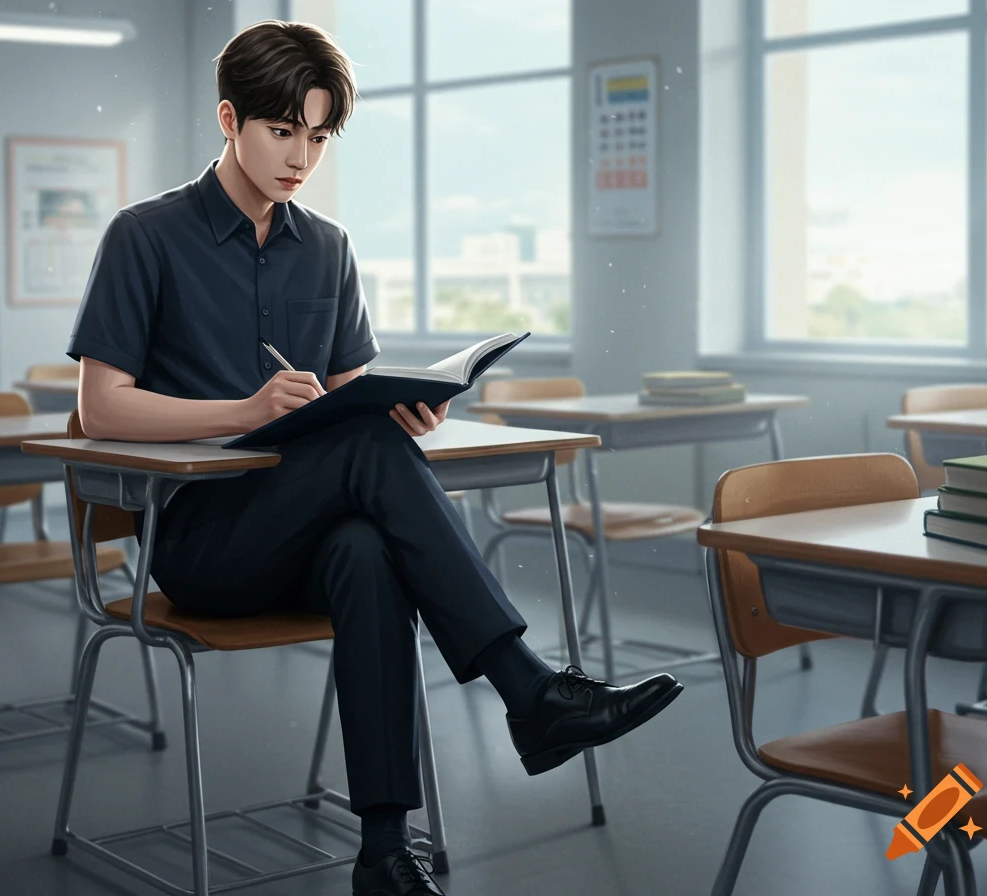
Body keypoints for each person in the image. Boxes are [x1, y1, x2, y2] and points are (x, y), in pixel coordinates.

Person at [67, 20, 682, 896]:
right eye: (282, 131)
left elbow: (351, 395)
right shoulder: (145, 235)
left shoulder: (328, 246)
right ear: (229, 119)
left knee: (366, 550)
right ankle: (529, 690)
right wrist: (245, 412)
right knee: (362, 469)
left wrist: (406, 409)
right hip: (202, 542)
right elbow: (100, 406)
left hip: (307, 533)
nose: (301, 157)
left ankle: (384, 854)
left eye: (319, 137)